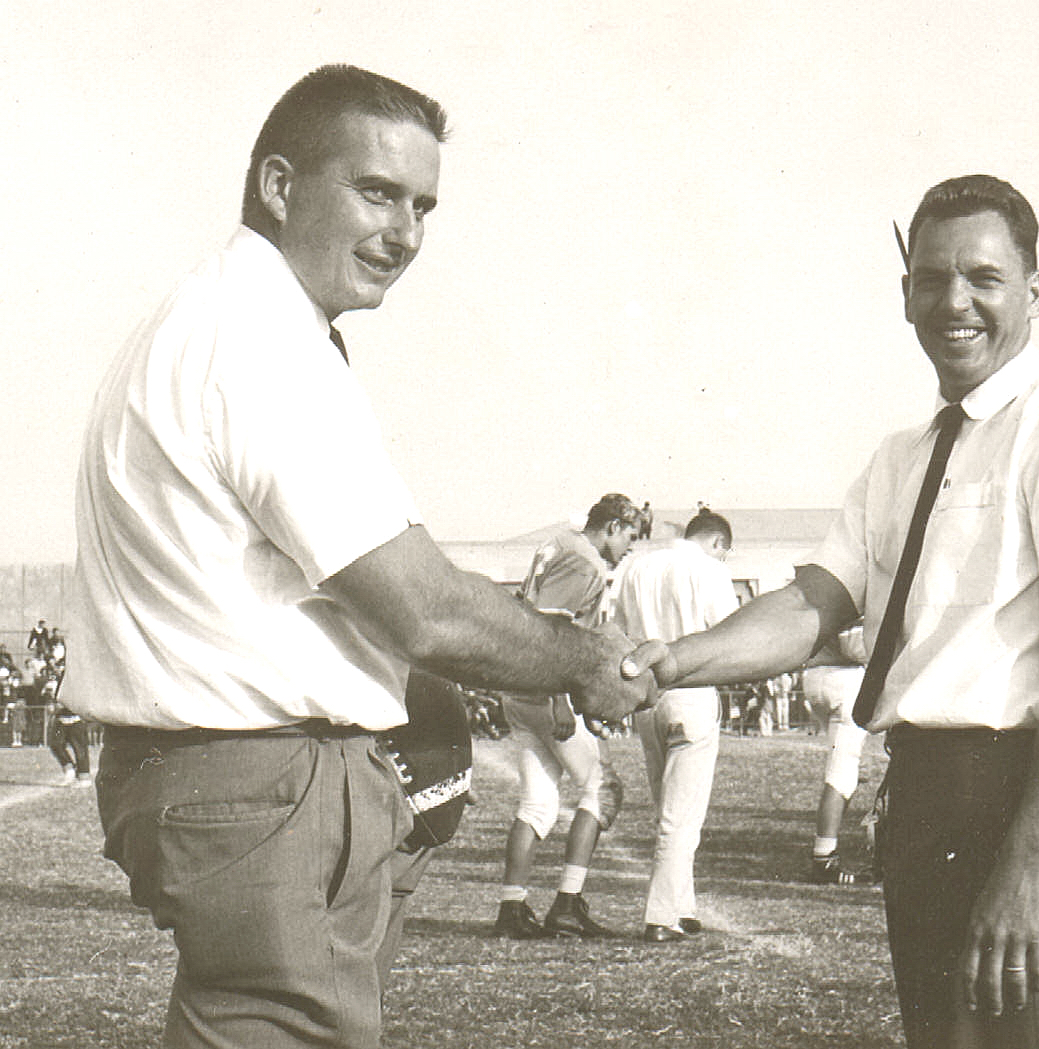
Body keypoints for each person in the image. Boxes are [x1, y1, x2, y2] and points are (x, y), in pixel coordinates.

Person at [68, 65, 650, 1049]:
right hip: (263, 785)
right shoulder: (259, 341)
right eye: (377, 192)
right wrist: (588, 660)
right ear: (280, 184)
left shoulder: (215, 318)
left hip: (229, 781)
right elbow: (421, 605)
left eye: (423, 205)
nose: (407, 232)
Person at [624, 175, 1039, 1047]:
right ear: (904, 291)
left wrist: (1032, 860)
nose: (955, 302)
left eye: (983, 277)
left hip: (1019, 798)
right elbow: (809, 603)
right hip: (924, 800)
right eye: (930, 277)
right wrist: (671, 661)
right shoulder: (900, 457)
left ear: (1035, 289)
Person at [492, 493, 641, 940]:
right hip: (543, 691)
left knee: (537, 803)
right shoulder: (584, 560)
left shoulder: (558, 544)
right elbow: (550, 632)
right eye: (629, 535)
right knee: (602, 789)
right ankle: (567, 903)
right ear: (612, 526)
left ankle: (512, 907)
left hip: (519, 689)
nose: (630, 546)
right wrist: (559, 697)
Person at [613, 508, 741, 942]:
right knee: (682, 816)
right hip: (692, 691)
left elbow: (618, 633)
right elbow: (726, 635)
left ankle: (682, 906)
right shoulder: (709, 570)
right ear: (718, 543)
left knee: (667, 809)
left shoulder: (635, 566)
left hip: (649, 699)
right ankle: (662, 915)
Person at [800, 621, 873, 885]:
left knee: (844, 770)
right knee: (841, 774)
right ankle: (824, 856)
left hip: (814, 675)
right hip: (844, 677)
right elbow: (853, 644)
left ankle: (830, 844)